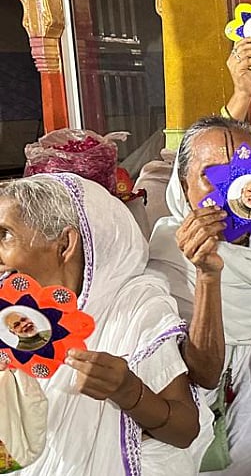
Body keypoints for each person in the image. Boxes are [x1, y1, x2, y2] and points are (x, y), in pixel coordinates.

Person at [0, 174, 210, 474]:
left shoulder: (135, 310)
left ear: (64, 245)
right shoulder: (7, 313)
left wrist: (128, 390)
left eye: (5, 234)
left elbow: (185, 430)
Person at [147, 116, 251, 476]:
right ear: (183, 186)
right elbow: (198, 373)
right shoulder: (167, 257)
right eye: (211, 174)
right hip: (197, 428)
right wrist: (207, 275)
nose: (232, 191)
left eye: (244, 172)